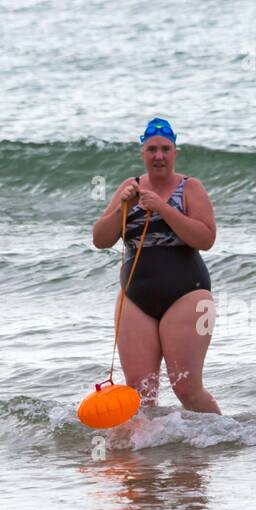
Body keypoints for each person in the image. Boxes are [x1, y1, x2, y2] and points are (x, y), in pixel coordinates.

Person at [91, 118, 221, 413]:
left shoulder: (190, 187)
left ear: (175, 152)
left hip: (188, 294)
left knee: (187, 388)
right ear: (143, 153)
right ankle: (145, 454)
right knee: (140, 393)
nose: (158, 156)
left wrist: (163, 208)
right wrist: (122, 208)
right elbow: (100, 239)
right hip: (135, 298)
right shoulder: (130, 187)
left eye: (165, 149)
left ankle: (218, 444)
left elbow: (206, 238)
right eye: (151, 149)